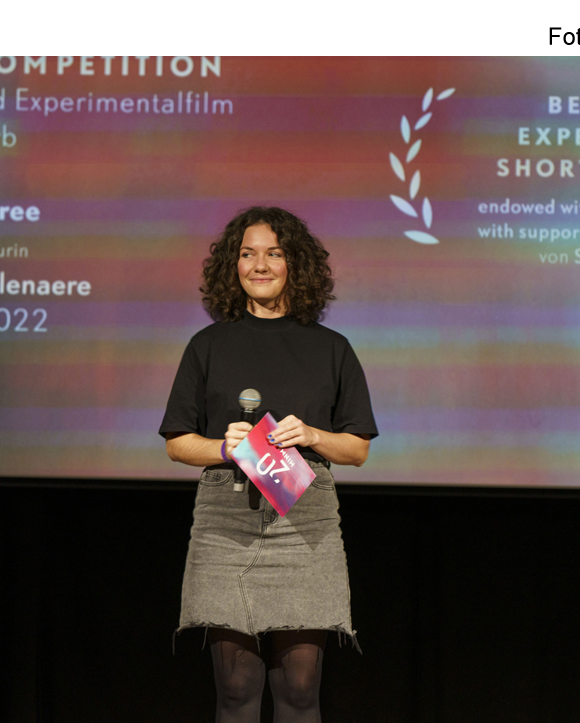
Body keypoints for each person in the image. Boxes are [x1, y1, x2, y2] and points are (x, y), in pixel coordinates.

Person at [160, 207, 377, 722]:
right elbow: (177, 442)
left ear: (295, 264)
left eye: (274, 253)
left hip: (305, 524)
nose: (259, 265)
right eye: (247, 254)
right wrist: (223, 448)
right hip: (226, 525)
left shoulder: (332, 348)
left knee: (300, 691)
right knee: (236, 690)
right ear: (231, 265)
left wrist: (315, 435)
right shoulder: (207, 345)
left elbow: (357, 449)